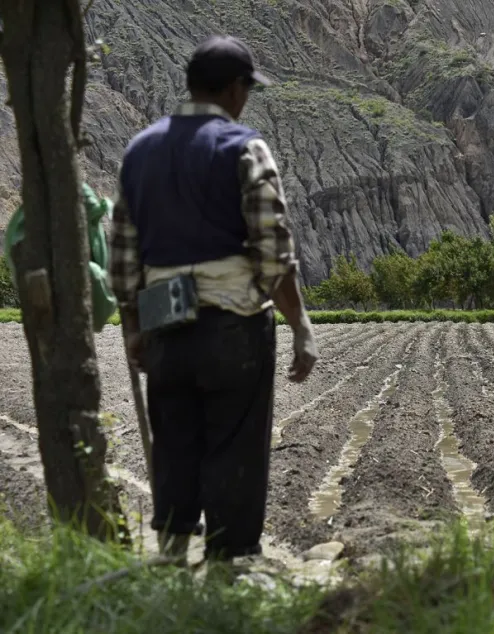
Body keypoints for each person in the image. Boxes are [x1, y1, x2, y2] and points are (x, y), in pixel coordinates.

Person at [108, 34, 318, 568]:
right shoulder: (244, 148)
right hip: (233, 322)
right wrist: (300, 325)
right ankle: (231, 561)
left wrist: (134, 327)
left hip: (163, 319)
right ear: (233, 90)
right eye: (246, 89)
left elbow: (123, 255)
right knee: (235, 442)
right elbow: (273, 251)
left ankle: (172, 551)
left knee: (174, 435)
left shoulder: (139, 150)